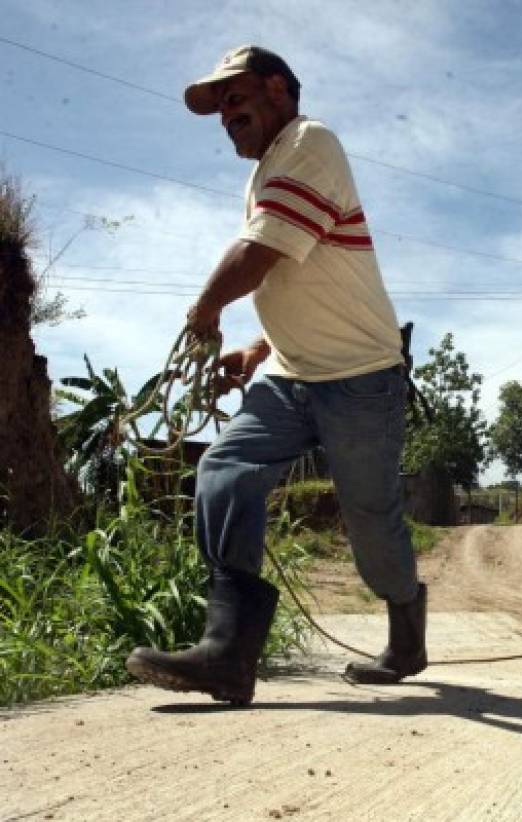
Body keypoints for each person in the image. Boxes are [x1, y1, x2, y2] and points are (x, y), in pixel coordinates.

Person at [125, 45, 425, 705]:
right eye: (220, 108)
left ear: (279, 89)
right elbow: (298, 276)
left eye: (237, 98)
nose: (227, 115)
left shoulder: (311, 142)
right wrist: (260, 350)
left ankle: (407, 628)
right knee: (224, 472)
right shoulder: (270, 172)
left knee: (371, 522)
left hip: (362, 377)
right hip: (289, 377)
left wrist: (206, 309)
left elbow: (260, 254)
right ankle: (228, 654)